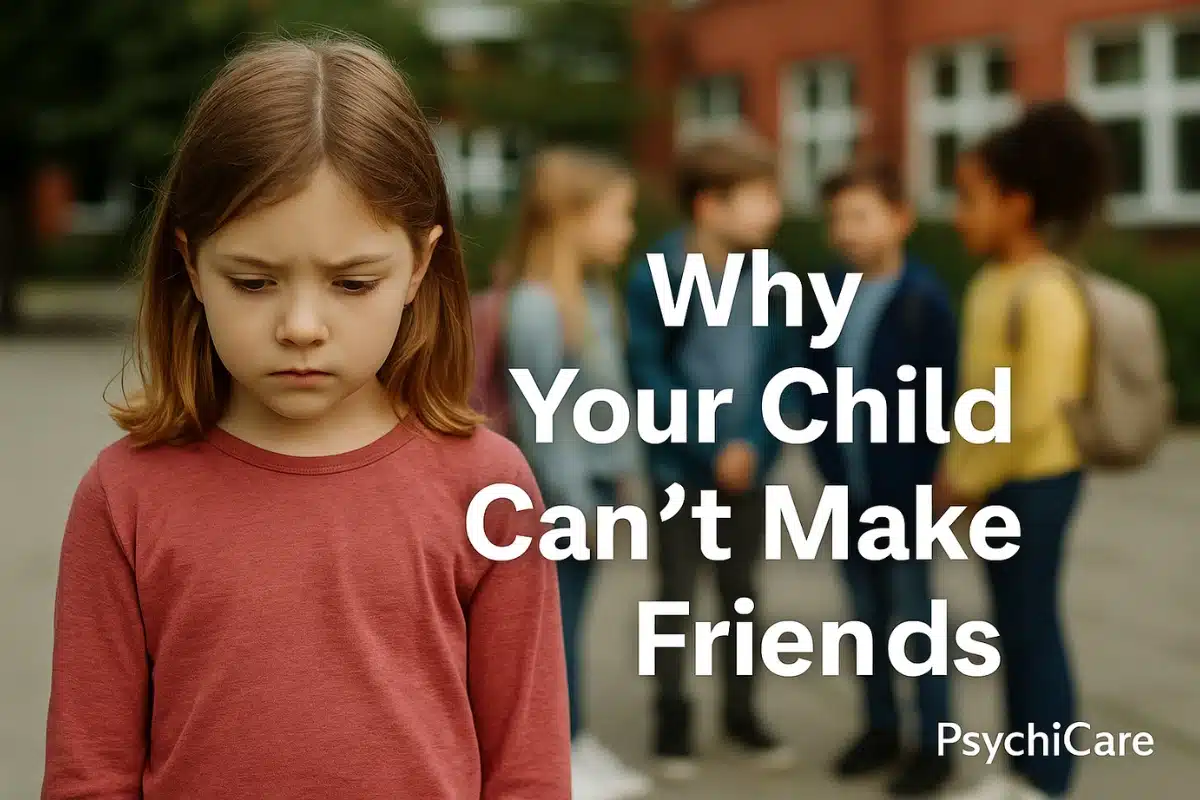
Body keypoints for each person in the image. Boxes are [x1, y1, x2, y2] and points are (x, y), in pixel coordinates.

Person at [40, 36, 570, 800]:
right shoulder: (124, 497)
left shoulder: (491, 487)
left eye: (352, 284)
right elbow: (88, 774)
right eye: (253, 282)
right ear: (190, 264)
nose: (301, 325)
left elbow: (529, 771)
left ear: (419, 265)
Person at [936, 101, 1113, 799]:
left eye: (970, 198)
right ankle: (1021, 770)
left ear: (1019, 203)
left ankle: (1045, 779)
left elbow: (1031, 413)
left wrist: (964, 476)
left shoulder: (1047, 291)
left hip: (1036, 484)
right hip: (1000, 482)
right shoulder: (991, 283)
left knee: (1032, 626)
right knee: (1012, 624)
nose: (958, 215)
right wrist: (963, 467)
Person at [625, 128, 797, 781]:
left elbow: (787, 373)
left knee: (742, 593)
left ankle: (742, 714)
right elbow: (649, 372)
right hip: (679, 471)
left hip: (749, 472)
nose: (772, 211)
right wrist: (707, 445)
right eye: (758, 197)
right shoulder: (658, 275)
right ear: (709, 206)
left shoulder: (774, 276)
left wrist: (753, 446)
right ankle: (673, 724)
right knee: (675, 594)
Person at [805, 156, 959, 796]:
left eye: (862, 215)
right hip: (848, 490)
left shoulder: (925, 302)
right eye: (838, 217)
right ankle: (880, 727)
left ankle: (933, 740)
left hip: (908, 492)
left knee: (913, 617)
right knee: (863, 618)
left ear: (901, 220)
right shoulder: (827, 298)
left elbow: (946, 400)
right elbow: (814, 388)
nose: (847, 230)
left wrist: (937, 486)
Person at [502, 147, 651, 800]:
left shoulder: (590, 296)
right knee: (555, 635)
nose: (628, 230)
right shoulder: (538, 307)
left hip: (598, 490)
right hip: (568, 503)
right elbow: (545, 424)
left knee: (574, 626)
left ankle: (575, 742)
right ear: (573, 216)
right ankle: (556, 756)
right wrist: (575, 508)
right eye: (618, 215)